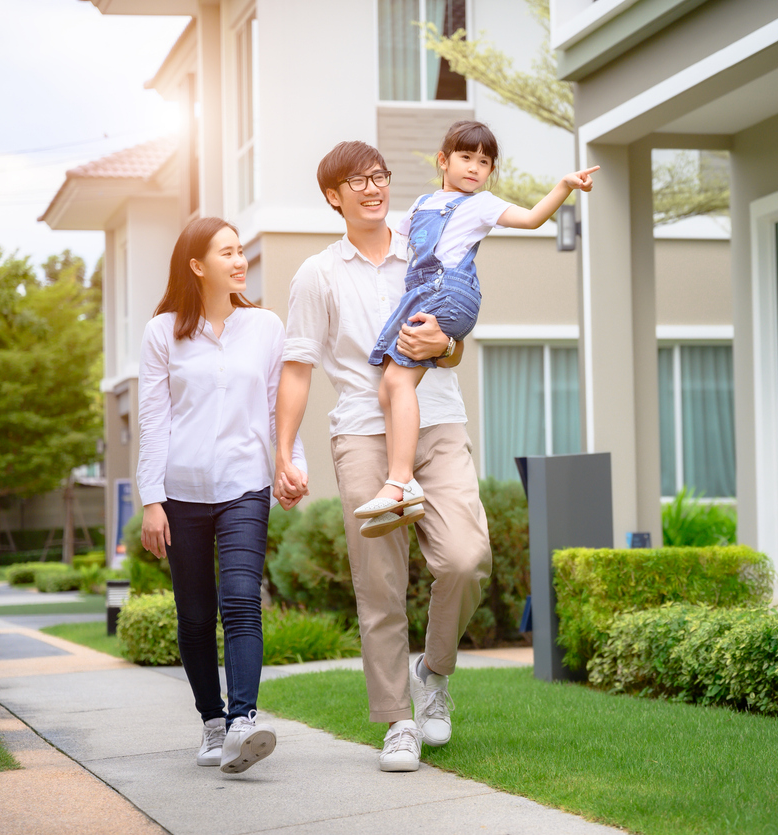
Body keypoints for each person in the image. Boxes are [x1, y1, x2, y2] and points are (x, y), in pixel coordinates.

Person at [272, 139, 492, 772]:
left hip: (439, 419)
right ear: (333, 196)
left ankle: (434, 672)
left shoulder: (426, 248)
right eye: (357, 181)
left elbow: (452, 340)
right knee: (380, 582)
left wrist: (443, 344)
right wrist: (284, 452)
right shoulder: (317, 273)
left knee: (465, 559)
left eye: (380, 177)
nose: (373, 188)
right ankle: (398, 720)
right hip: (363, 433)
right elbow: (297, 368)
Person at [352, 120, 598, 537]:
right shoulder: (422, 204)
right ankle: (404, 492)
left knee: (398, 385)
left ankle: (399, 483)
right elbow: (396, 245)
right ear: (443, 161)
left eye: (484, 162)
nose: (474, 168)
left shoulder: (481, 205)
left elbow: (534, 218)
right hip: (423, 293)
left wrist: (564, 186)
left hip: (447, 294)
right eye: (466, 157)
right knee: (387, 388)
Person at [137, 216, 306, 775]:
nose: (240, 261)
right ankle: (212, 721)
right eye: (228, 252)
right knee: (193, 614)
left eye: (242, 252)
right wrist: (151, 500)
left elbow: (278, 405)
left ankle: (242, 723)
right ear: (196, 264)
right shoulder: (163, 332)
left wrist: (290, 465)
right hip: (181, 492)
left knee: (239, 600)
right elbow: (154, 421)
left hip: (245, 485)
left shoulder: (264, 327)